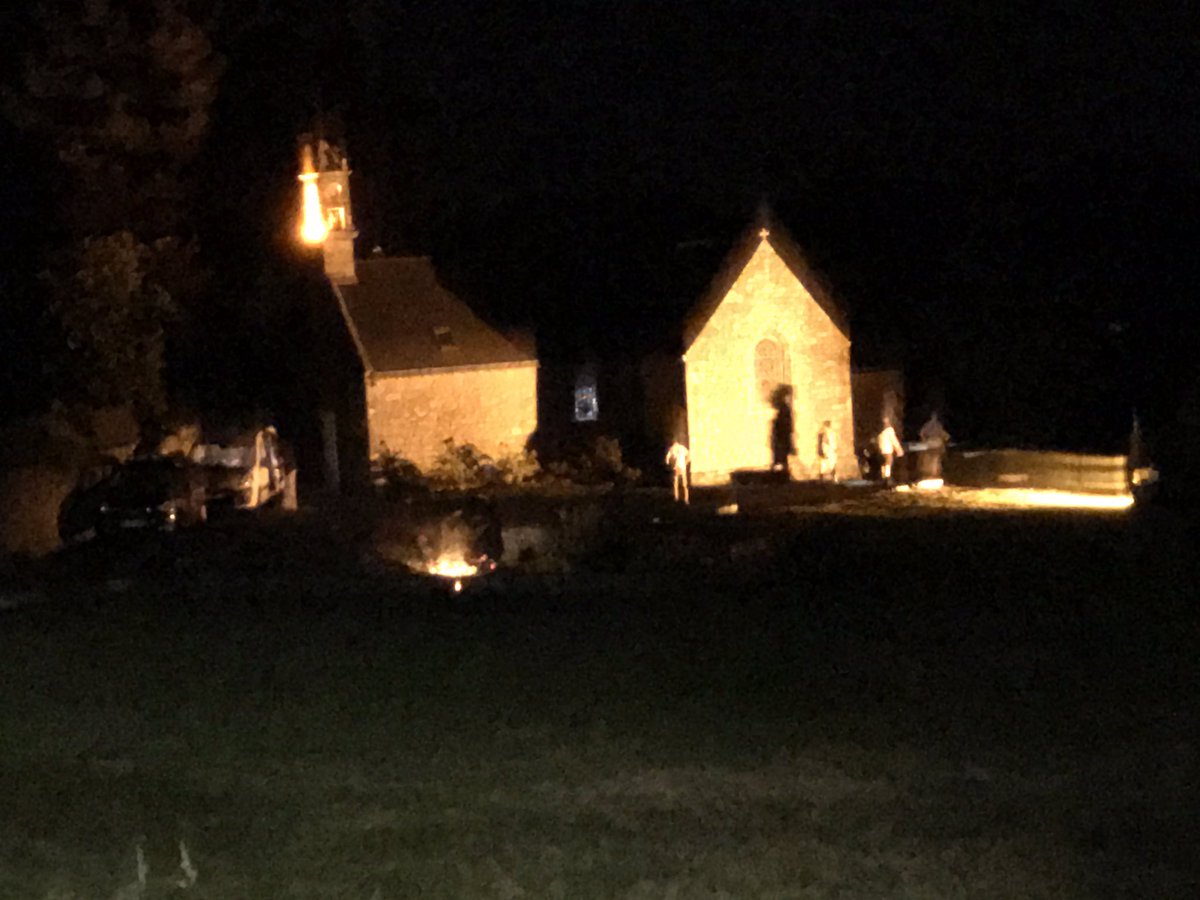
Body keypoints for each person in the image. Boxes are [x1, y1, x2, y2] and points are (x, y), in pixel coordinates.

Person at [918, 412, 950, 480]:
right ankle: (933, 473)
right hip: (936, 444)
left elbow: (921, 433)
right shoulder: (938, 425)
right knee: (935, 459)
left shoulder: (927, 425)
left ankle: (929, 473)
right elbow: (946, 436)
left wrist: (924, 440)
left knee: (928, 459)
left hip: (929, 443)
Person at [877, 417, 904, 485]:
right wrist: (898, 449)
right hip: (887, 449)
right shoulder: (889, 431)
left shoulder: (881, 433)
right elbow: (894, 440)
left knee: (884, 464)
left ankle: (884, 477)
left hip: (882, 450)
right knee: (888, 463)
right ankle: (887, 478)